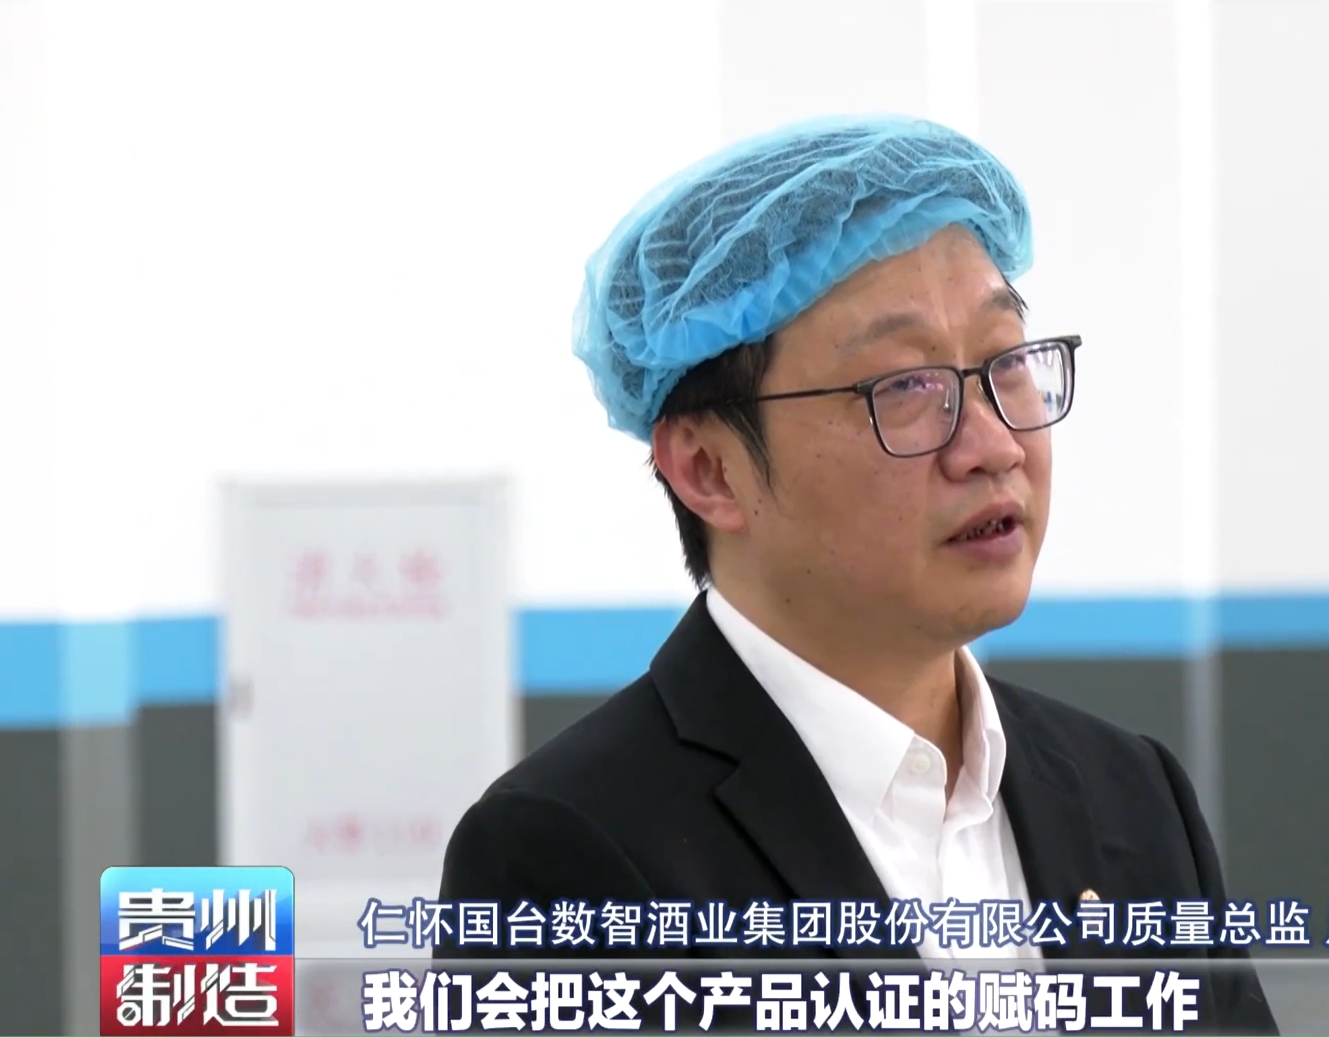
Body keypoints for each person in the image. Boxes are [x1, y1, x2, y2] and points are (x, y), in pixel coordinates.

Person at [436, 115, 1279, 1035]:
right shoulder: (565, 851)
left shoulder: (1133, 792)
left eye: (1006, 362)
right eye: (904, 386)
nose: (994, 444)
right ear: (710, 470)